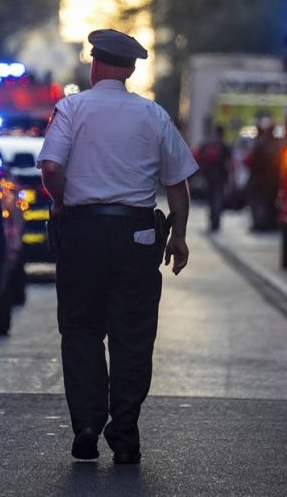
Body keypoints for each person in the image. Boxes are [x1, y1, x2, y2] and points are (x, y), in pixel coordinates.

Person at [37, 28, 199, 465]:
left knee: (82, 332)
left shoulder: (71, 109)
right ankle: (124, 434)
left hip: (83, 235)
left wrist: (62, 203)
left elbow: (51, 166)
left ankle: (87, 427)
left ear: (94, 65)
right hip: (137, 237)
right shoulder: (152, 115)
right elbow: (177, 183)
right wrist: (179, 235)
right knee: (132, 337)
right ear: (129, 70)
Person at [245, 118, 281, 230]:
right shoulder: (275, 144)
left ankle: (261, 222)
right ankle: (263, 222)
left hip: (261, 179)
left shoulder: (258, 143)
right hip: (268, 179)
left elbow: (249, 160)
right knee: (265, 202)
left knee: (261, 202)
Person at [196, 125, 231, 232]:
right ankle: (216, 220)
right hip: (220, 176)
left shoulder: (207, 144)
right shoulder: (224, 145)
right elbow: (229, 162)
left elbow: (198, 155)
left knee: (211, 199)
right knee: (218, 198)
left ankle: (212, 220)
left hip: (209, 176)